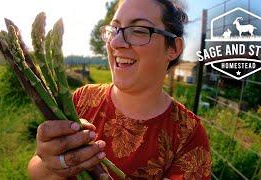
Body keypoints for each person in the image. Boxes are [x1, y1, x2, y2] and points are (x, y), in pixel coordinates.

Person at [28, 0, 211, 179]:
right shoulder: (82, 99)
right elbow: (35, 170)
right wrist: (49, 165)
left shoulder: (189, 136)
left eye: (138, 30)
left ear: (173, 48)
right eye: (114, 30)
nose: (115, 43)